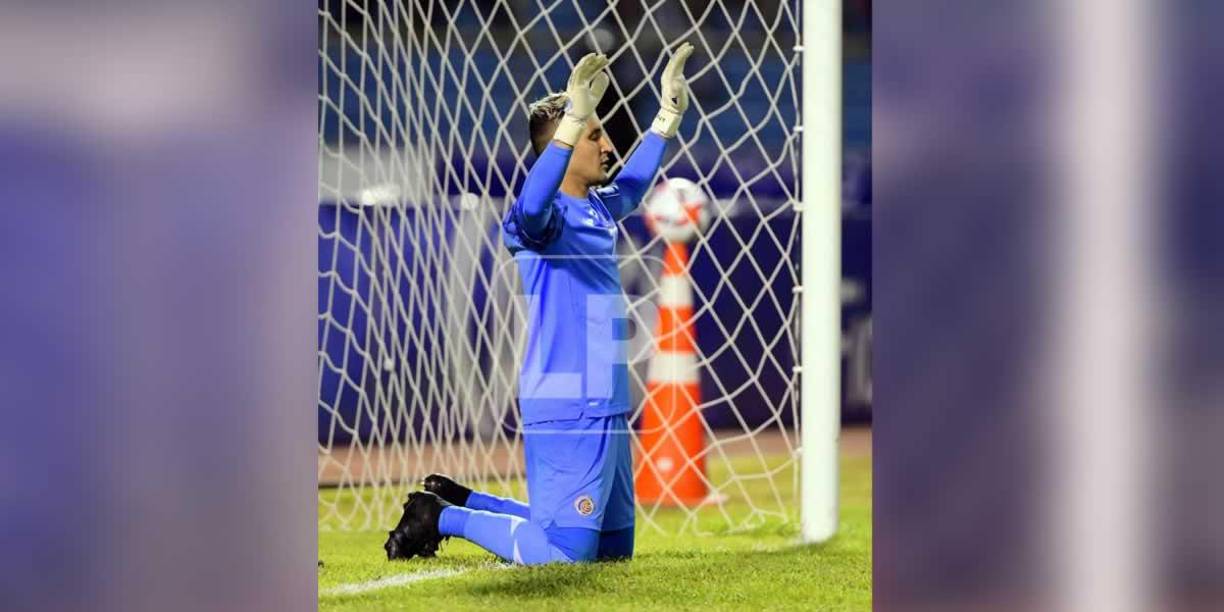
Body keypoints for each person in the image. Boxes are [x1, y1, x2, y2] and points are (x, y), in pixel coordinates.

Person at [386, 43, 694, 565]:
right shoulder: (538, 223)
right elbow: (531, 203)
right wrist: (573, 121)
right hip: (566, 396)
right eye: (594, 134)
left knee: (612, 552)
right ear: (565, 144)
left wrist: (667, 117)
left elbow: (635, 185)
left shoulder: (596, 207)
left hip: (608, 399)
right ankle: (438, 516)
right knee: (564, 556)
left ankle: (467, 499)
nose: (607, 144)